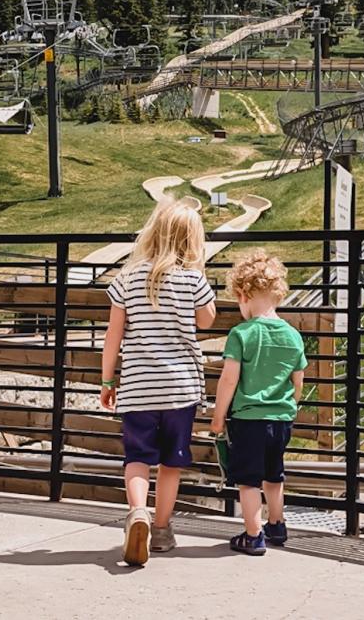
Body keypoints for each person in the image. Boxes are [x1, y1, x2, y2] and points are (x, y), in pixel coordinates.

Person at [100, 198, 216, 566]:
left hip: (137, 387)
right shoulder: (192, 279)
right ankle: (162, 529)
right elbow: (207, 321)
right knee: (171, 462)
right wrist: (199, 276)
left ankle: (137, 513)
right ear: (192, 241)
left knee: (137, 459)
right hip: (180, 389)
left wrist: (107, 382)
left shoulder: (127, 278)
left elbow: (112, 337)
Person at [209, 248, 307, 555]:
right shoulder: (293, 335)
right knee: (273, 475)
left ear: (242, 294)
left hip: (248, 420)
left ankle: (253, 534)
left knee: (248, 480)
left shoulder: (241, 334)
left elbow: (229, 380)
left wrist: (217, 416)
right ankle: (277, 524)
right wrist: (289, 408)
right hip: (281, 420)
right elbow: (298, 381)